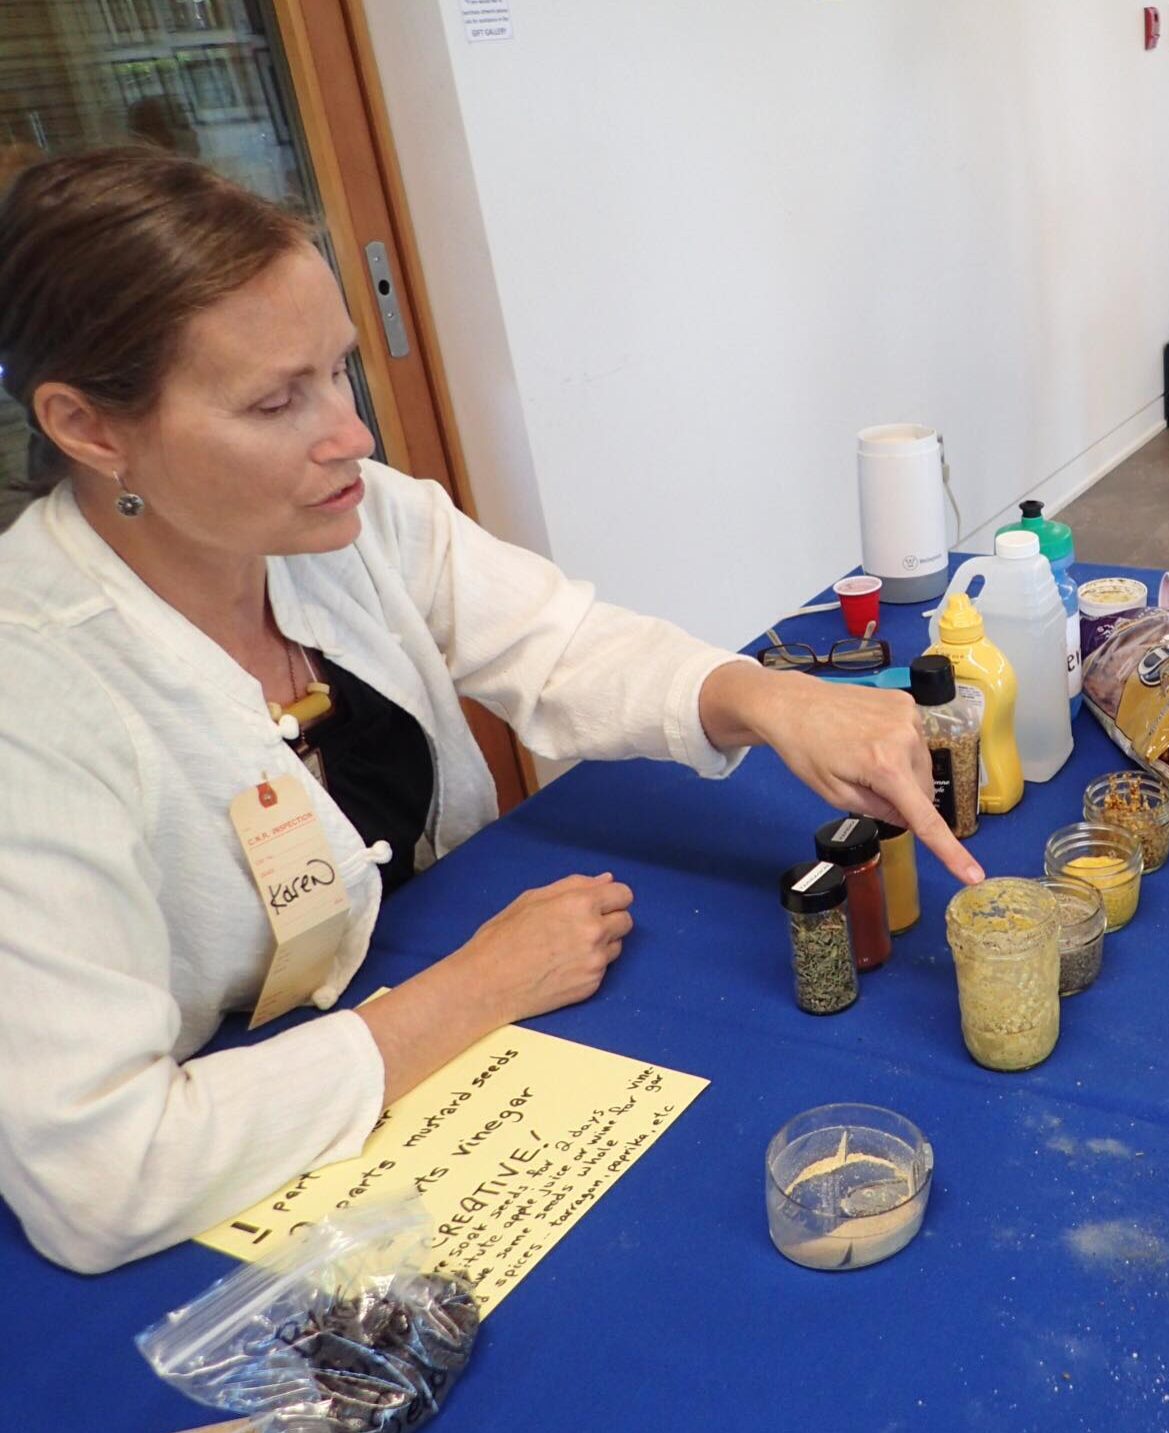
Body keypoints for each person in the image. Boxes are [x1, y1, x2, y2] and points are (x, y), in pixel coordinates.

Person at [0, 149, 982, 1274]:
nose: (349, 435)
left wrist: (759, 694)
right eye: (277, 401)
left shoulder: (349, 521)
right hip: (241, 1214)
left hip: (467, 1086)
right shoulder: (32, 703)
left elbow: (557, 644)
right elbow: (100, 1175)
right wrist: (477, 985)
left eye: (340, 373)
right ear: (87, 426)